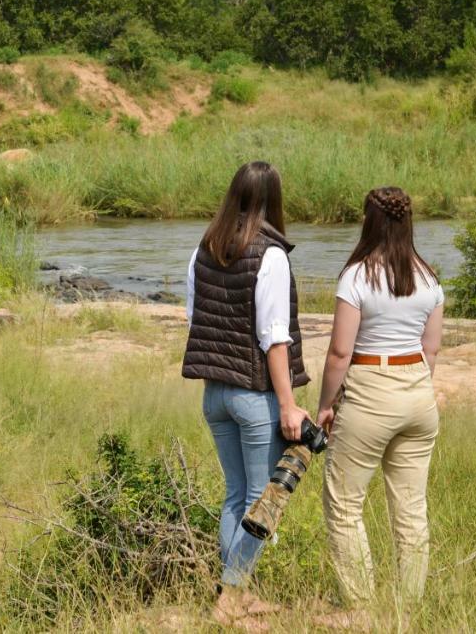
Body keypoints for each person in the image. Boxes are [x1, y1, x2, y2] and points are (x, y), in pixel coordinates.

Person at [182, 161, 311, 628]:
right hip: (253, 396)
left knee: (236, 496)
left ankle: (240, 591)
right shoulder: (270, 254)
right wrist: (289, 404)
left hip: (214, 394)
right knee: (262, 500)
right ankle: (230, 597)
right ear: (274, 198)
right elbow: (274, 339)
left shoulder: (204, 247)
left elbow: (194, 317)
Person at [316, 186, 443, 617]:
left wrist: (325, 405)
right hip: (418, 389)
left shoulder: (358, 276)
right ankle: (408, 608)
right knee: (410, 509)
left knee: (345, 503)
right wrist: (416, 386)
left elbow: (339, 353)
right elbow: (433, 348)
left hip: (371, 384)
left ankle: (361, 606)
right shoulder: (428, 277)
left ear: (369, 221)